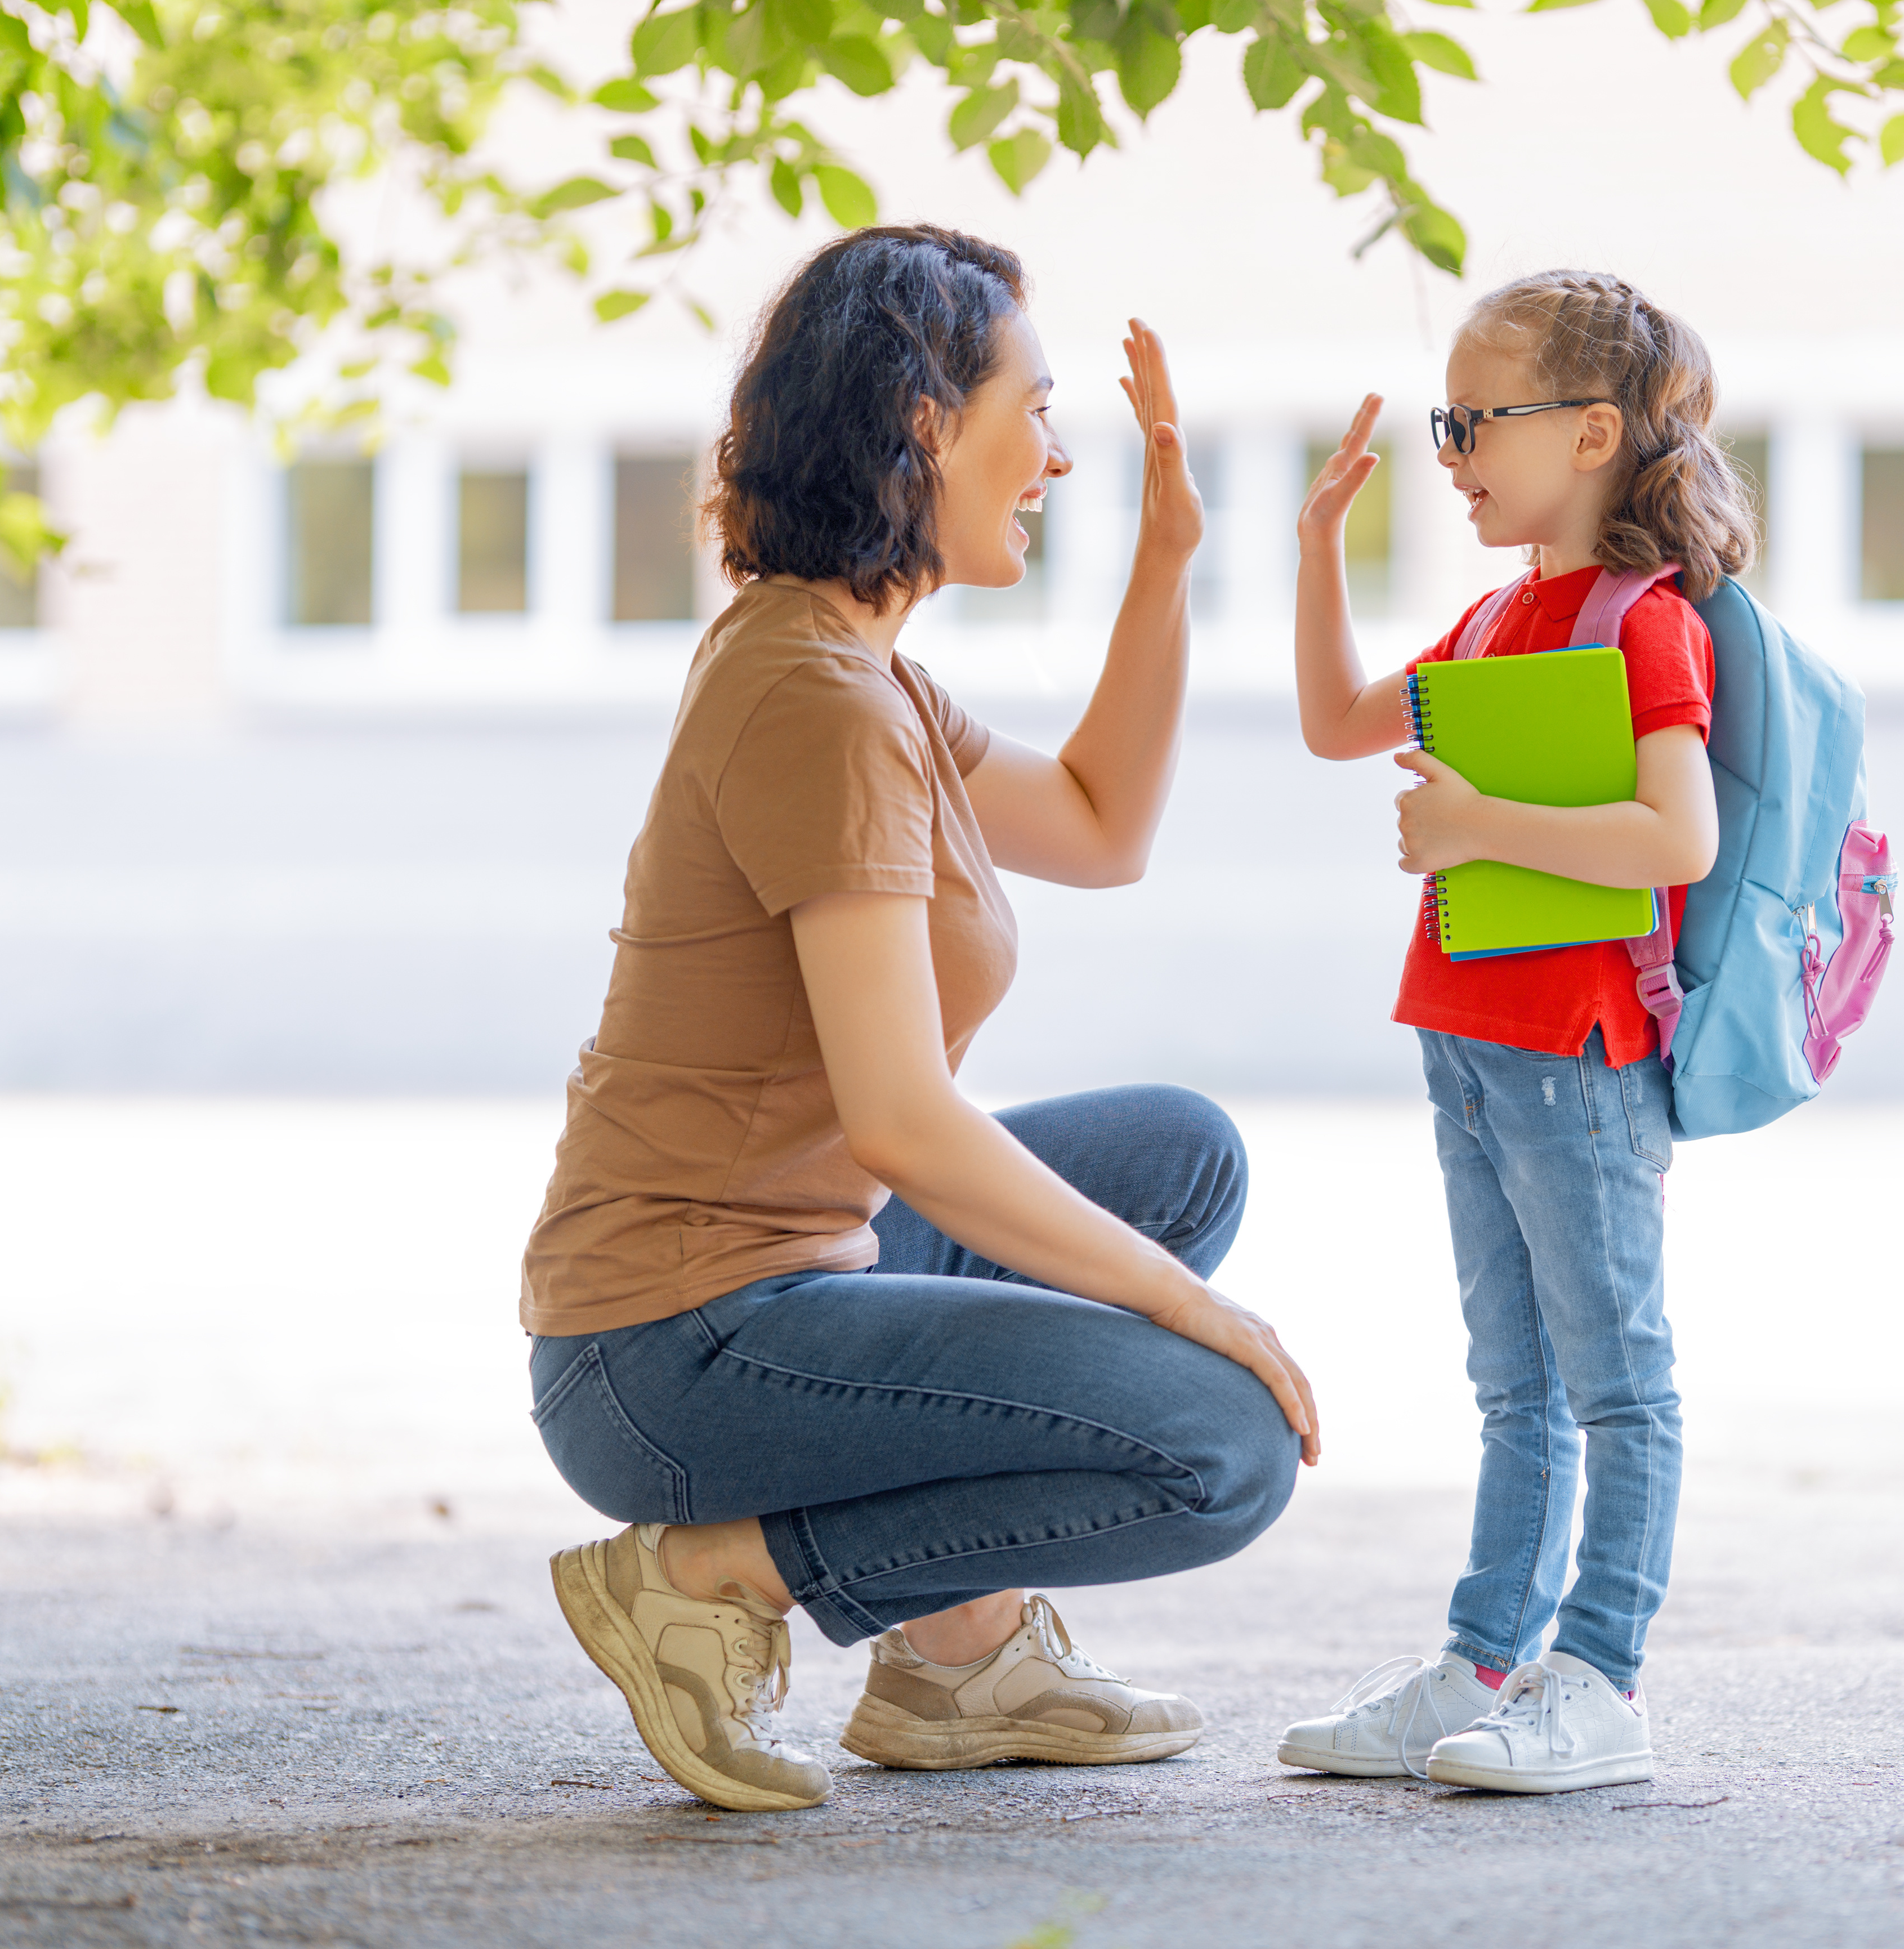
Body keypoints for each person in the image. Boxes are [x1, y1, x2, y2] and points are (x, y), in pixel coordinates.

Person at [521, 226, 1319, 1814]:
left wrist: (1166, 566)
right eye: (1033, 405)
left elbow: (1099, 824)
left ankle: (956, 1660)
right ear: (923, 423)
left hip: (802, 1272)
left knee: (1179, 1155)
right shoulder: (817, 701)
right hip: (671, 1352)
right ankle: (715, 1571)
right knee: (1217, 1446)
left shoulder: (857, 666)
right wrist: (1193, 1312)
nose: (1058, 453)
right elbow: (901, 1117)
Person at [1273, 271, 1749, 1794]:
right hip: (1468, 1034)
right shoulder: (1492, 615)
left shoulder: (1642, 623)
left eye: (1478, 420)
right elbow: (1337, 720)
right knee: (1512, 1380)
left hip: (1579, 1049)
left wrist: (1482, 817)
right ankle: (1484, 1663)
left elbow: (1670, 838)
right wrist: (1312, 549)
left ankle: (1598, 1677)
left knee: (1615, 1376)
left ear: (1594, 432)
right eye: (1448, 420)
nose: (1453, 449)